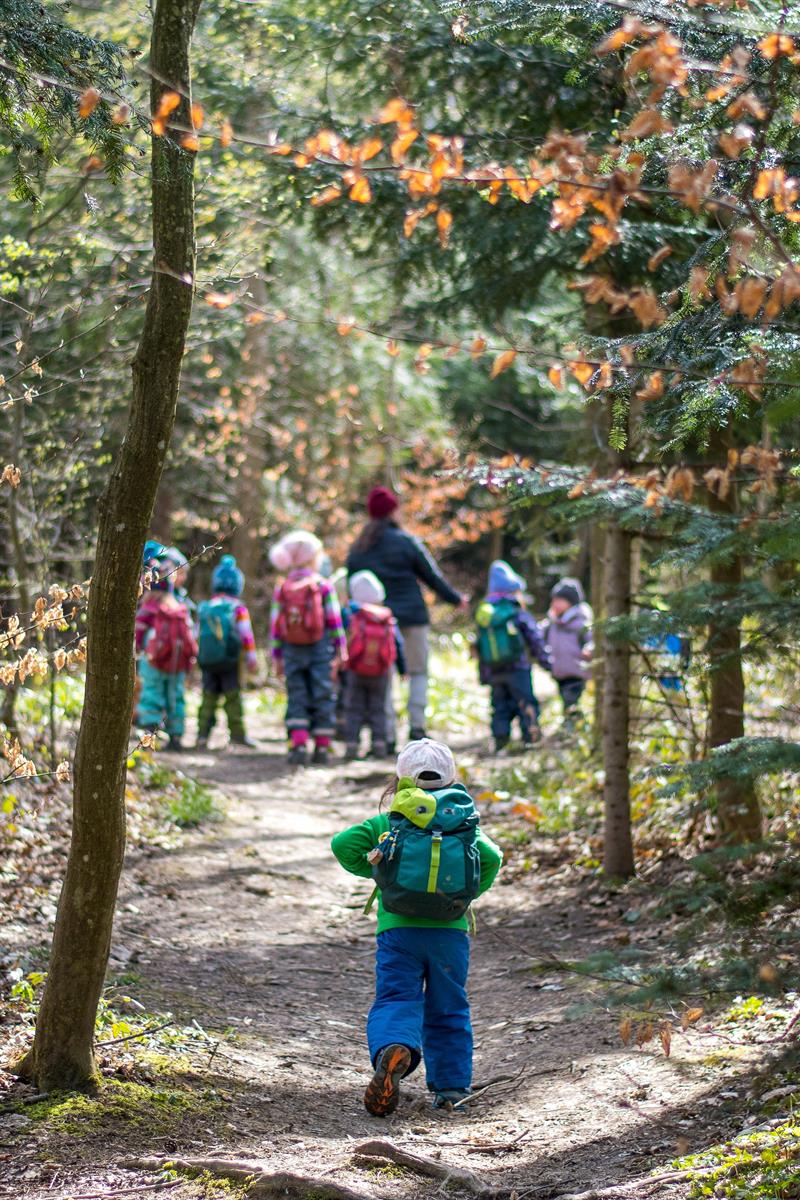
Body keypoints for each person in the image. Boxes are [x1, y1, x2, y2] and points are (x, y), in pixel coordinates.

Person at [331, 738, 502, 1116]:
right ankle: (452, 1089)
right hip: (449, 931)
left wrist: (382, 875)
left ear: (400, 778)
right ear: (451, 778)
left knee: (396, 998)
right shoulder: (463, 823)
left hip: (398, 930)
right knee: (449, 1007)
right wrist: (463, 895)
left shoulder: (387, 821)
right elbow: (492, 858)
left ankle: (397, 1049)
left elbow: (342, 844)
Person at [347, 486, 467, 747]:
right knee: (418, 672)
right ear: (392, 511)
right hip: (413, 617)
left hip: (376, 622)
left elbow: (352, 587)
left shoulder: (359, 548)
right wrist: (456, 599)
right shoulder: (406, 542)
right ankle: (417, 727)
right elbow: (431, 577)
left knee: (384, 676)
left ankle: (387, 736)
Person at [269, 529, 347, 766]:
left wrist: (276, 656)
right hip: (319, 649)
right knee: (322, 694)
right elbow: (334, 621)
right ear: (314, 558)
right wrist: (341, 648)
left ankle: (298, 744)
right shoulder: (323, 585)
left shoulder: (283, 588)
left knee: (297, 695)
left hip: (292, 650)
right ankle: (322, 747)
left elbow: (276, 627)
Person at [475, 560, 551, 752]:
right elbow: (533, 637)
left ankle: (501, 741)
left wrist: (484, 674)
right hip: (518, 667)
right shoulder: (515, 609)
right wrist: (545, 661)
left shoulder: (486, 612)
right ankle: (530, 739)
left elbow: (479, 645)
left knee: (499, 706)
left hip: (494, 671)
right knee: (525, 702)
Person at [135, 544, 197, 751]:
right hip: (177, 663)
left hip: (152, 661)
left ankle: (149, 733)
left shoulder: (148, 608)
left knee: (152, 694)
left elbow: (138, 633)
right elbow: (190, 635)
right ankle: (176, 736)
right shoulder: (179, 608)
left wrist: (137, 651)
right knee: (175, 697)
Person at [196, 554, 258, 749]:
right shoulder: (238, 608)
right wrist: (251, 658)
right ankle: (238, 734)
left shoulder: (206, 607)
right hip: (231, 661)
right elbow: (246, 635)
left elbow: (197, 633)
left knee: (208, 697)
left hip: (208, 661)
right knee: (233, 698)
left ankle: (202, 736)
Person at [343, 570, 406, 761]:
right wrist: (403, 668)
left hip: (355, 669)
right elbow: (397, 644)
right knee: (378, 708)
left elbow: (342, 639)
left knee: (354, 708)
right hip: (381, 671)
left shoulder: (350, 614)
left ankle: (352, 746)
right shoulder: (386, 617)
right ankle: (379, 745)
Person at [540, 577, 594, 716]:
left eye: (559, 600)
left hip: (576, 670)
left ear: (571, 603)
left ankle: (572, 724)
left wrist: (589, 649)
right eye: (554, 600)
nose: (555, 604)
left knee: (571, 699)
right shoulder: (552, 622)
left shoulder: (581, 622)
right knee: (565, 698)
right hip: (559, 671)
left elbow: (591, 639)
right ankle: (573, 722)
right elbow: (539, 635)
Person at [160, 546, 197, 631]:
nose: (183, 578)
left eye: (184, 573)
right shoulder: (162, 595)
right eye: (180, 573)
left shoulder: (181, 594)